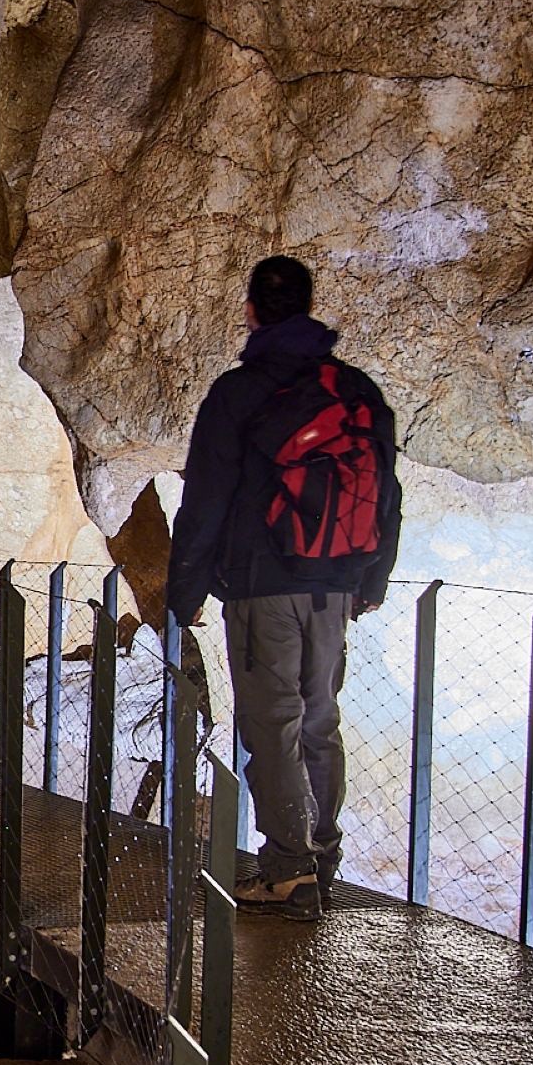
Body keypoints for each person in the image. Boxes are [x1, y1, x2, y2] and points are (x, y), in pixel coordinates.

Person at [166, 256, 401, 921]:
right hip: (335, 585)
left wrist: (183, 597)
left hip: (260, 586)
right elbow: (387, 490)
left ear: (251, 311)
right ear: (308, 306)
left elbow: (205, 500)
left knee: (272, 724)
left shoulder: (239, 394)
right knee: (319, 721)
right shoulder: (355, 390)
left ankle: (287, 869)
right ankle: (321, 857)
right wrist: (372, 576)